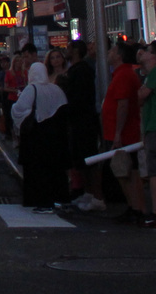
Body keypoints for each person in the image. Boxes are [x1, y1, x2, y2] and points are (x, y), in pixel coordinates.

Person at [13, 61, 69, 212]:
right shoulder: (56, 89)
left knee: (37, 170)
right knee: (55, 169)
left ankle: (41, 201)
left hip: (35, 136)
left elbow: (18, 109)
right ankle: (60, 199)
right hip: (55, 135)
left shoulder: (31, 89)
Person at [103, 38, 147, 222]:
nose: (108, 53)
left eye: (112, 51)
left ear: (119, 56)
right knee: (125, 171)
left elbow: (123, 105)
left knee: (127, 171)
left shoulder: (123, 75)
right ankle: (134, 207)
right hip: (119, 132)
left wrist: (118, 134)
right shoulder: (122, 74)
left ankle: (137, 208)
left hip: (122, 133)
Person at [63, 39, 101, 208]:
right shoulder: (76, 70)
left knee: (89, 158)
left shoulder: (82, 70)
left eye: (69, 48)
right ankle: (88, 193)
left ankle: (96, 196)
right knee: (80, 159)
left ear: (76, 51)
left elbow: (79, 97)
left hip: (84, 120)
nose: (66, 51)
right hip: (78, 120)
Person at [138, 41, 156, 229]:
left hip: (154, 126)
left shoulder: (153, 74)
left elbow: (141, 96)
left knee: (154, 172)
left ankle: (154, 213)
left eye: (149, 52)